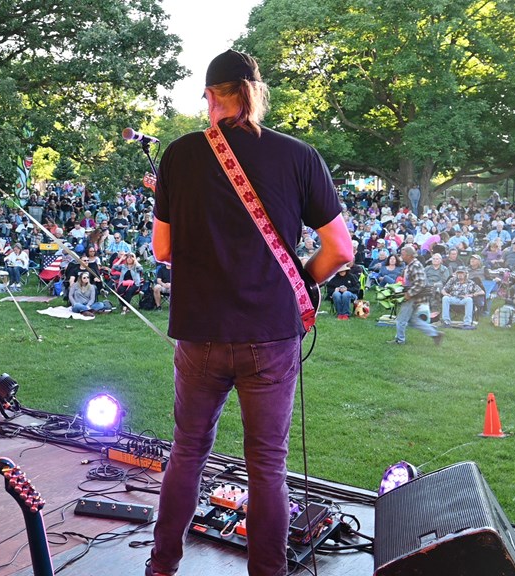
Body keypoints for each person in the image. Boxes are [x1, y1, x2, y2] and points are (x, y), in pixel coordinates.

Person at [146, 50, 353, 576]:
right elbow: (340, 251)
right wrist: (303, 279)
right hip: (271, 334)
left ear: (209, 96)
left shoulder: (179, 155)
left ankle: (161, 566)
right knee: (267, 466)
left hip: (200, 334)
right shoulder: (299, 156)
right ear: (256, 94)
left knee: (188, 451)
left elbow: (162, 249)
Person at [391, 245, 443, 344]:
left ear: (409, 255)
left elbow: (420, 283)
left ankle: (399, 340)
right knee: (413, 320)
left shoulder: (415, 265)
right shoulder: (411, 265)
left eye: (403, 254)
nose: (401, 256)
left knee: (401, 319)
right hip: (414, 296)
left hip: (413, 297)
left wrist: (409, 294)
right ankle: (435, 334)